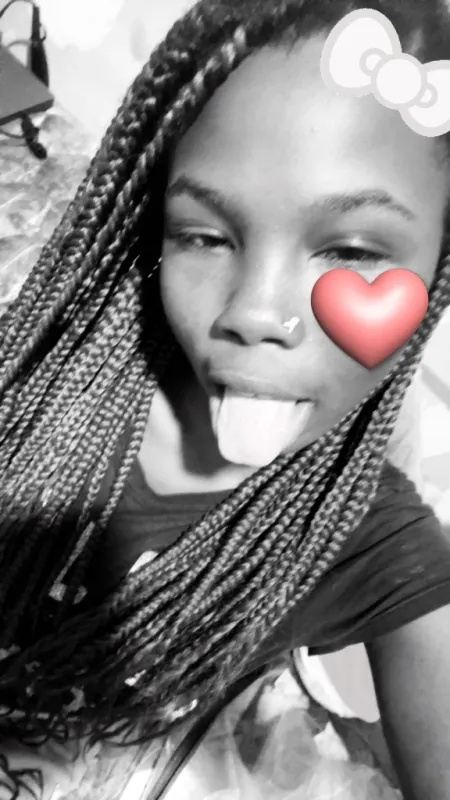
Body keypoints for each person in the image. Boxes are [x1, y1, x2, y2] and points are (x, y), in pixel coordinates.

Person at [0, 0, 449, 796]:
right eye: (204, 236)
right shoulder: (44, 381)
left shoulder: (376, 549)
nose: (253, 311)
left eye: (351, 249)